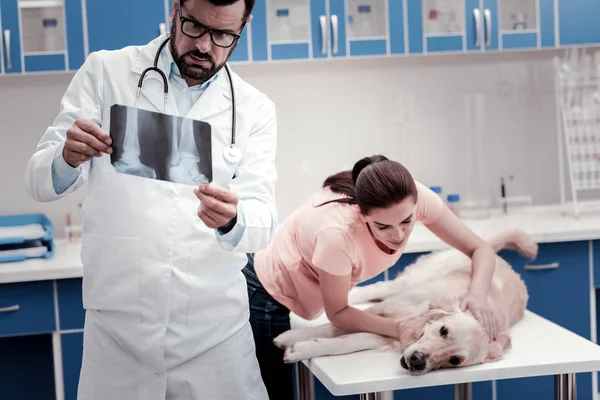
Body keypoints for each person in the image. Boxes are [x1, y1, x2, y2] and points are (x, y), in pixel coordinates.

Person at [24, 0, 278, 399]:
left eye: (225, 35)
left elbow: (263, 221)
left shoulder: (255, 109)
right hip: (120, 336)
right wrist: (67, 156)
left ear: (245, 25)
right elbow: (38, 181)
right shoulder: (106, 73)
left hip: (215, 340)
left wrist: (233, 218)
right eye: (195, 27)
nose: (206, 47)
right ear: (175, 9)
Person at [244, 155, 498, 399]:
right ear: (363, 216)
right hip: (263, 289)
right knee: (273, 392)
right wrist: (400, 328)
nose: (399, 235)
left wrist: (478, 295)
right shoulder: (338, 235)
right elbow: (339, 313)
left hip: (298, 287)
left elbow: (480, 249)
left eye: (407, 221)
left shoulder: (412, 196)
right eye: (383, 227)